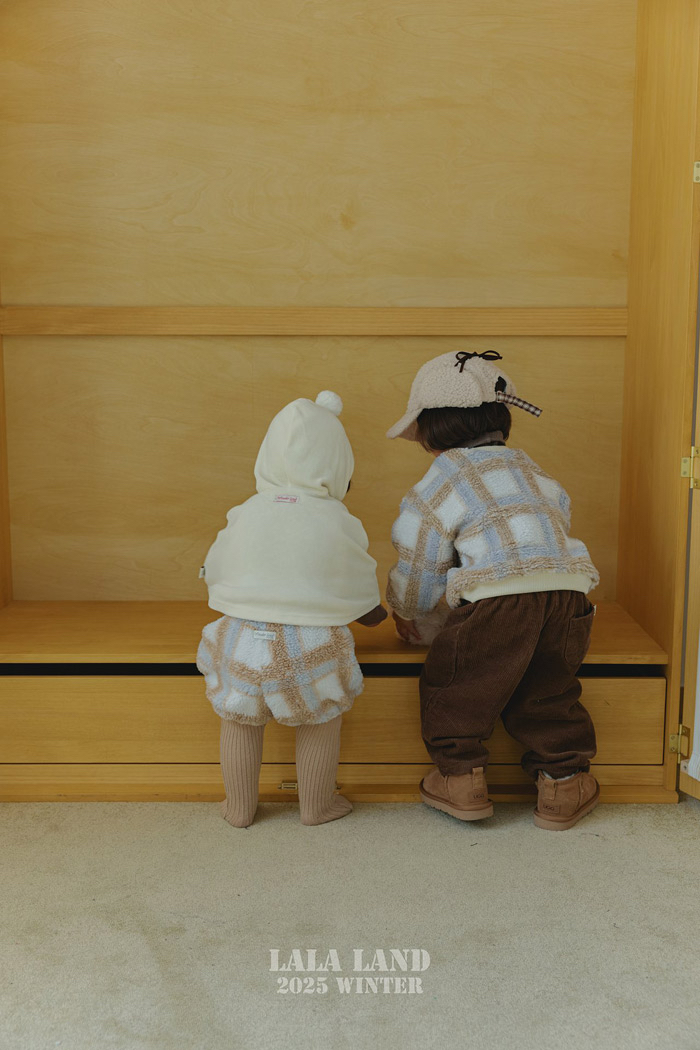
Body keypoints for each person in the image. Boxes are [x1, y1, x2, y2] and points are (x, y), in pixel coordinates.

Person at [386, 350, 599, 831]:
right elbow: (556, 523)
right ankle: (563, 784)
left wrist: (408, 610)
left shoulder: (442, 480)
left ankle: (460, 780)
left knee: (458, 687)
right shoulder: (533, 470)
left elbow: (420, 560)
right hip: (569, 595)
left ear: (429, 430)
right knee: (550, 692)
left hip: (499, 601)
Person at [197, 391, 386, 828]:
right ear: (339, 466)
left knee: (238, 718)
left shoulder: (246, 510)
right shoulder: (337, 517)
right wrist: (370, 611)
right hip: (311, 640)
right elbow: (354, 573)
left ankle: (239, 808)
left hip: (242, 637)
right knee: (321, 719)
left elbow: (218, 563)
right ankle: (316, 806)